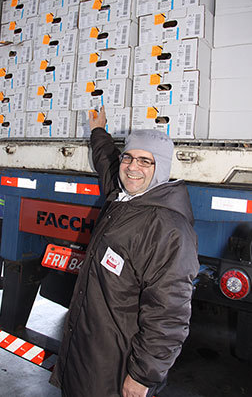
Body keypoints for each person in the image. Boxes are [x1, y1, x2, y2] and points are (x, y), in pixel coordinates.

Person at [50, 106, 199, 397]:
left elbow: (168, 314)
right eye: (129, 157)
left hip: (116, 370)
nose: (132, 167)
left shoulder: (167, 229)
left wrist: (142, 376)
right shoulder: (124, 200)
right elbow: (107, 163)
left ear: (162, 169)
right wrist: (98, 131)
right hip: (88, 357)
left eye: (146, 161)